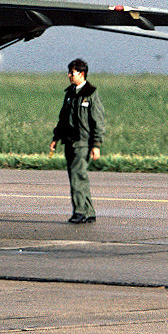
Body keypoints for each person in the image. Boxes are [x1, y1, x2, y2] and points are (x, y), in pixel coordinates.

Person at [50, 58, 104, 224]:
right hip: (69, 141)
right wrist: (56, 138)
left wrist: (96, 145)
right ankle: (89, 212)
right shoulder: (70, 94)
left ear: (81, 74)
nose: (69, 76)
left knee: (76, 176)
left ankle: (79, 212)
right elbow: (63, 118)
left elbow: (98, 121)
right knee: (80, 177)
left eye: (72, 73)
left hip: (83, 142)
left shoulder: (91, 94)